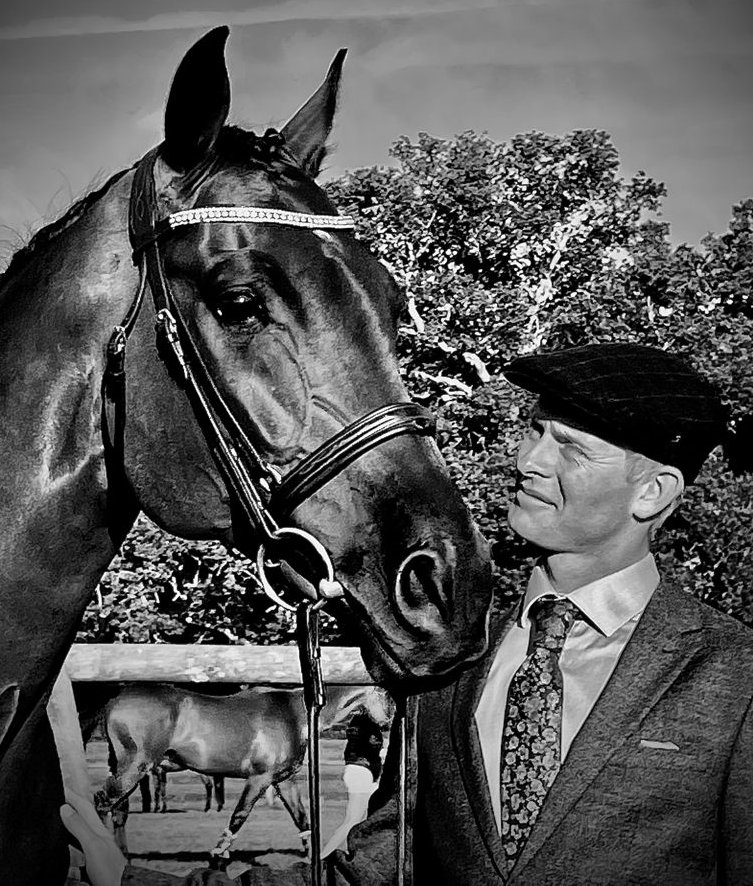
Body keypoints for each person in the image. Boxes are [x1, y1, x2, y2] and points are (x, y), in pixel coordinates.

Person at [62, 342, 753, 885]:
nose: (527, 460)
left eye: (570, 448)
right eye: (535, 431)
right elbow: (378, 870)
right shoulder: (449, 661)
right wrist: (130, 877)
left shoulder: (734, 677)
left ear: (652, 493)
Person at [320, 712, 384, 859]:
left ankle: (351, 853)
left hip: (357, 771)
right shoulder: (368, 725)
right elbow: (374, 744)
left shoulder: (355, 724)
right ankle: (323, 856)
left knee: (360, 818)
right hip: (362, 772)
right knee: (353, 820)